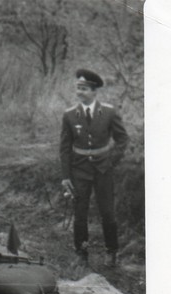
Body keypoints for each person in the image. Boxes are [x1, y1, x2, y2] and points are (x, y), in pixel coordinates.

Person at [60, 69, 129, 272]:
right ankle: (81, 253)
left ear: (94, 91)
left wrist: (111, 162)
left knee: (107, 212)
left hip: (103, 170)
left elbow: (122, 139)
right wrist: (66, 176)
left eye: (83, 89)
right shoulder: (70, 115)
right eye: (78, 88)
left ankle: (111, 251)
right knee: (80, 213)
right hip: (79, 170)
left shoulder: (108, 112)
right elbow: (64, 148)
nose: (79, 92)